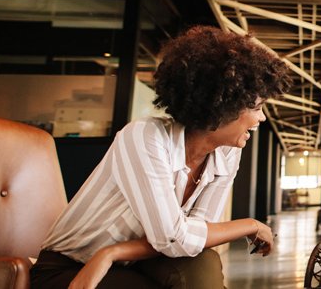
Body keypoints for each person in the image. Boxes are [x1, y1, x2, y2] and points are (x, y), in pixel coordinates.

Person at [31, 26, 291, 289]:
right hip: (72, 267)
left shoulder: (227, 153)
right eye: (256, 107)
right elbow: (174, 238)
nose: (261, 118)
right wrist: (250, 225)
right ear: (222, 106)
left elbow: (192, 238)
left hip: (133, 259)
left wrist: (112, 253)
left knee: (202, 263)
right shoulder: (145, 137)